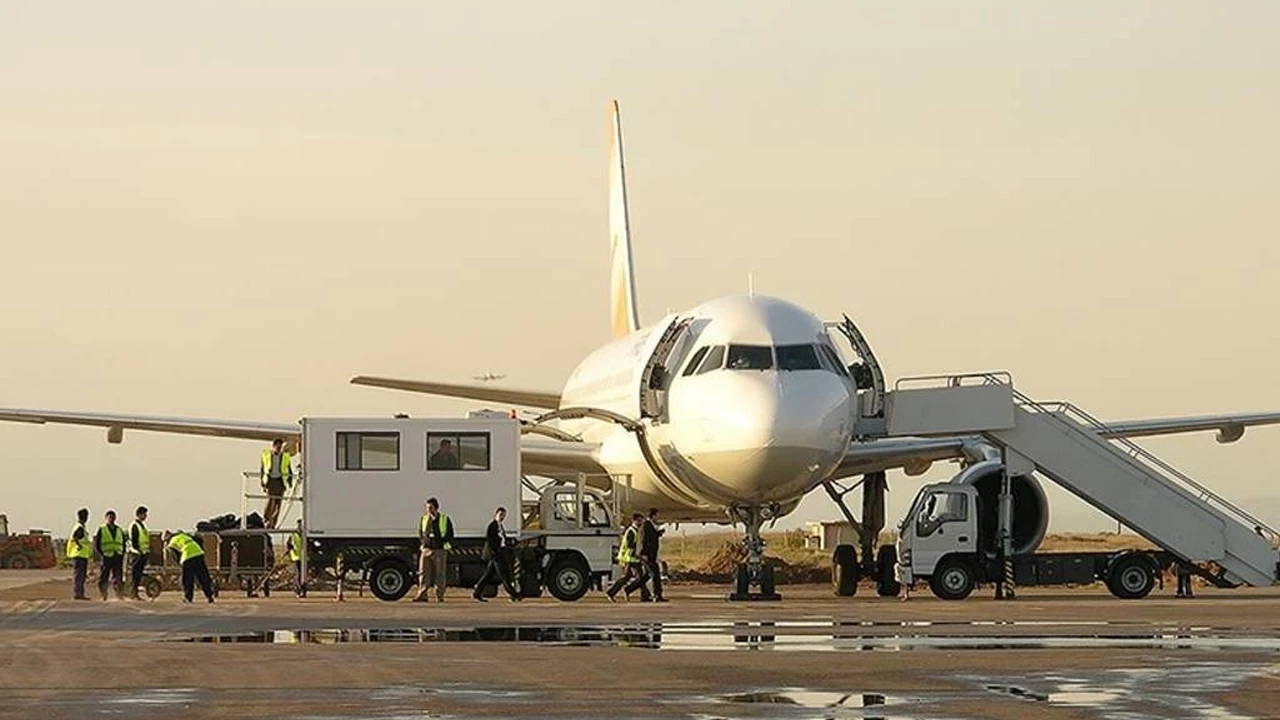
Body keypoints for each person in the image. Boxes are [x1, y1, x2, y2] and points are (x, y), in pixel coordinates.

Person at [473, 507, 521, 602]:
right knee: (504, 576)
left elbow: (503, 539)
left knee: (487, 576)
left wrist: (510, 543)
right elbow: (490, 540)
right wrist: (495, 552)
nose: (502, 517)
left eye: (503, 515)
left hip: (501, 553)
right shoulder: (493, 526)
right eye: (500, 515)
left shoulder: (500, 526)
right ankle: (514, 595)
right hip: (497, 555)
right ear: (496, 515)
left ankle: (477, 593)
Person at [414, 498, 453, 602]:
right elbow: (421, 533)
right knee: (423, 573)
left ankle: (439, 595)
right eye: (427, 508)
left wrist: (441, 545)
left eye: (430, 507)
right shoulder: (424, 519)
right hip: (426, 550)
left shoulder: (444, 519)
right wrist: (423, 545)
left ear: (435, 508)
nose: (428, 510)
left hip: (439, 550)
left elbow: (450, 535)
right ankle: (422, 594)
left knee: (440, 574)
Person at [606, 514, 650, 602]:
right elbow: (630, 545)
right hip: (630, 558)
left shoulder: (636, 530)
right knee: (640, 578)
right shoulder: (631, 531)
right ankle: (629, 590)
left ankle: (612, 592)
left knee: (627, 577)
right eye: (639, 520)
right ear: (634, 521)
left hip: (633, 558)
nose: (641, 522)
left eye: (641, 520)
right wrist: (639, 552)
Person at [164, 531, 215, 603]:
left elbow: (175, 556)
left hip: (187, 556)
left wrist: (181, 565)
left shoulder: (171, 543)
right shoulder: (183, 535)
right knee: (203, 576)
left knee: (188, 579)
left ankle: (188, 598)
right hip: (198, 552)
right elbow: (198, 540)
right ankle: (209, 596)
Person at [260, 438, 293, 529]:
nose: (279, 449)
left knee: (278, 503)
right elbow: (263, 468)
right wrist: (262, 482)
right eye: (277, 447)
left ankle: (273, 523)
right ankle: (266, 520)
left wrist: (290, 481)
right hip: (270, 480)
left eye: (280, 447)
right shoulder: (266, 455)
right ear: (273, 446)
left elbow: (289, 468)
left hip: (280, 480)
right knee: (270, 500)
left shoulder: (285, 456)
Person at [94, 510, 126, 601]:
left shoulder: (119, 530)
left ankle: (119, 593)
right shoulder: (102, 529)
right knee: (104, 576)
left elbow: (122, 543)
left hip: (117, 556)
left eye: (113, 517)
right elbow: (97, 544)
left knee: (118, 576)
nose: (111, 519)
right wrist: (102, 553)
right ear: (106, 518)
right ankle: (103, 593)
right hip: (106, 556)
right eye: (109, 517)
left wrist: (122, 553)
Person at [641, 508, 667, 602]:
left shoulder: (651, 525)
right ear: (653, 515)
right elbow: (645, 540)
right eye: (657, 515)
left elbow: (651, 537)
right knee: (655, 574)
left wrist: (658, 534)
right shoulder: (647, 525)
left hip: (651, 554)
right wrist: (644, 553)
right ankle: (657, 595)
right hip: (649, 555)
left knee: (647, 575)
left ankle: (636, 591)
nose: (658, 518)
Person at [67, 508, 92, 601]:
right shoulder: (80, 527)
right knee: (79, 575)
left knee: (80, 575)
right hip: (79, 554)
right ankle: (78, 593)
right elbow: (76, 537)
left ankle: (80, 593)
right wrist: (79, 546)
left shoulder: (80, 526)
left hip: (81, 554)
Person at [127, 506, 150, 600]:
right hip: (136, 554)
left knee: (138, 575)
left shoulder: (142, 525)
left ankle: (135, 593)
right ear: (139, 514)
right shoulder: (134, 525)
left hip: (142, 553)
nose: (146, 516)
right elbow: (134, 540)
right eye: (144, 514)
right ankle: (133, 594)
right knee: (135, 574)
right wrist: (139, 551)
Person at [286, 520, 306, 598]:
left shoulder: (305, 535)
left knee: (303, 575)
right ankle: (298, 590)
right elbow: (289, 544)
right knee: (298, 575)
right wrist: (289, 547)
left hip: (303, 558)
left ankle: (303, 591)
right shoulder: (293, 535)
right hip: (295, 557)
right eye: (299, 525)